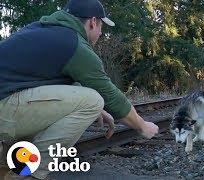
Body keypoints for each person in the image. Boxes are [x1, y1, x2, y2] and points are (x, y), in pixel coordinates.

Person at [0, 0, 159, 179]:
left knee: (90, 102)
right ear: (92, 22)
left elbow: (43, 83)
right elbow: (111, 96)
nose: (100, 33)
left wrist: (93, 107)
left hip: (7, 101)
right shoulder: (74, 44)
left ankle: (4, 168)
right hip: (5, 107)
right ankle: (30, 174)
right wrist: (143, 126)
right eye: (101, 27)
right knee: (93, 100)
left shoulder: (41, 30)